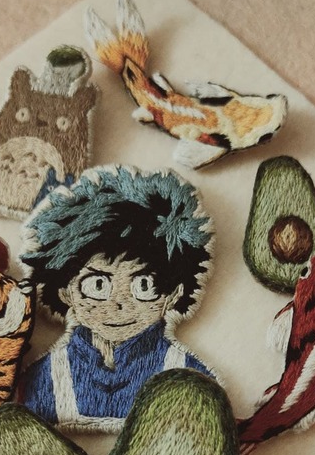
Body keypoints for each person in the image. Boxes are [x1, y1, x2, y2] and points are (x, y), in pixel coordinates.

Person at [18, 165, 215, 432]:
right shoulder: (43, 380)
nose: (119, 304)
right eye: (97, 285)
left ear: (173, 293)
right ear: (65, 291)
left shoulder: (190, 379)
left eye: (143, 285)